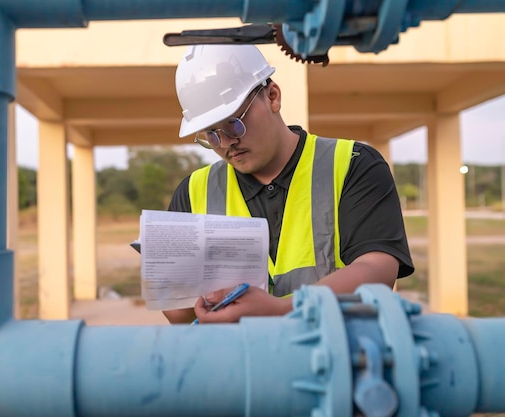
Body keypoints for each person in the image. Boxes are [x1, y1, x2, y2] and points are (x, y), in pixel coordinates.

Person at [164, 44, 414, 324]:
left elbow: (378, 270)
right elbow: (178, 313)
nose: (226, 143)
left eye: (235, 124)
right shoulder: (193, 191)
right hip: (234, 364)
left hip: (333, 357)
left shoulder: (353, 165)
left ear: (272, 96)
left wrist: (282, 310)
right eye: (211, 135)